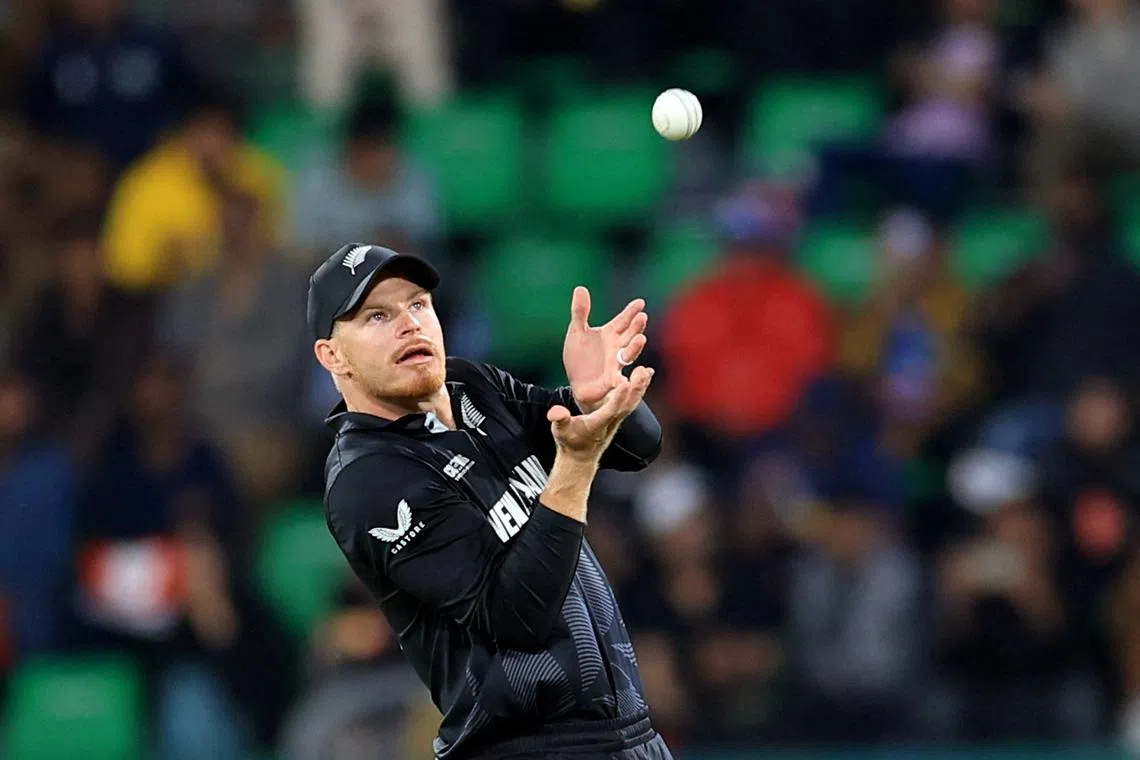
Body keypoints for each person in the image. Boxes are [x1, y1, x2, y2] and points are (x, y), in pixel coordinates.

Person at [308, 243, 672, 760]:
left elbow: (638, 447)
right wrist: (573, 468)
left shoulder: (471, 386)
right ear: (332, 355)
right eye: (377, 316)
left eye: (417, 305)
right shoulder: (367, 479)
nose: (409, 325)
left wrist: (597, 396)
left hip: (627, 736)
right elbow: (515, 617)